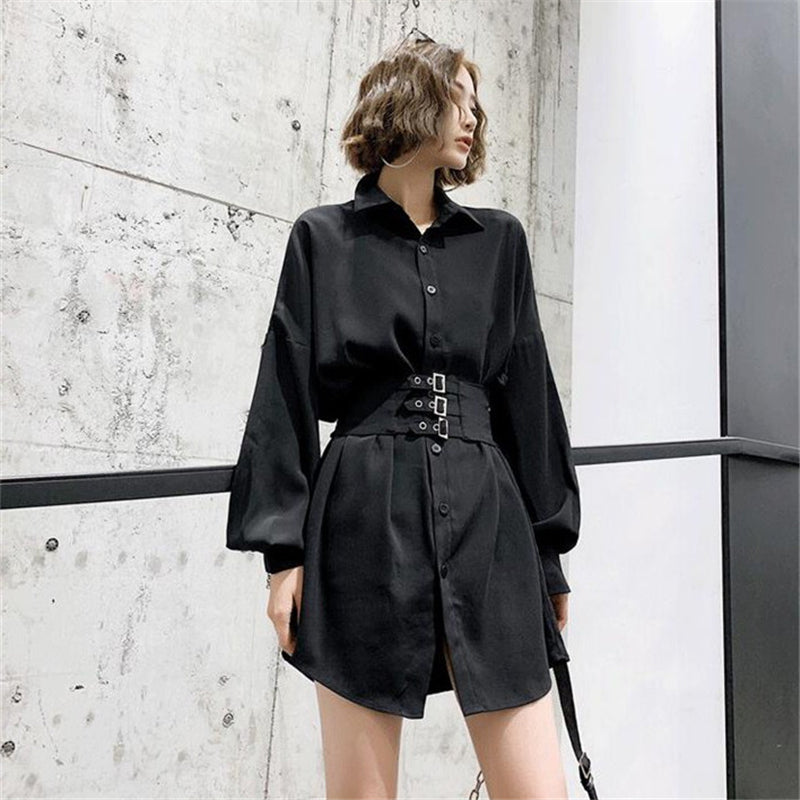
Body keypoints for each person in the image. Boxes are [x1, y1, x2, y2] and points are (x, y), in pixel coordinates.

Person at [226, 30, 596, 800]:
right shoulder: (323, 238)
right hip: (362, 522)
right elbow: (284, 390)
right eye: (458, 98)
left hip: (488, 521)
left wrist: (548, 555)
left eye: (476, 104)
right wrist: (282, 558)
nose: (473, 117)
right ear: (410, 101)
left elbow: (528, 398)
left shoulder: (500, 243)